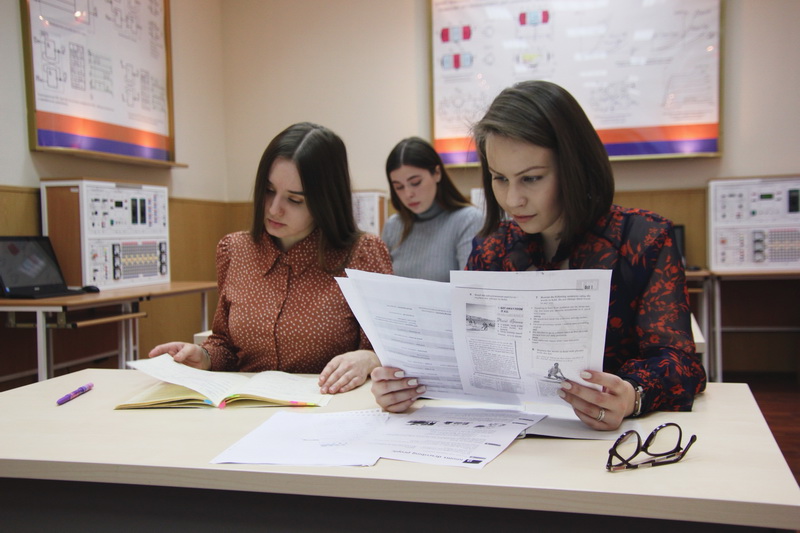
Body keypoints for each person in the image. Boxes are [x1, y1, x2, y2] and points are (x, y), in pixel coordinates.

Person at [370, 81, 707, 430]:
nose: (512, 199)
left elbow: (681, 363)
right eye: (499, 178)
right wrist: (405, 384)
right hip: (511, 437)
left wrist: (632, 394)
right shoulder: (492, 250)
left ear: (574, 167)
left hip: (613, 441)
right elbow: (462, 357)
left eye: (531, 179)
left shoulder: (642, 240)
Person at [149, 122, 393, 394]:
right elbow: (225, 345)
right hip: (246, 406)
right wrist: (203, 357)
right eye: (268, 190)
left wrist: (369, 359)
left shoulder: (362, 254)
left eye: (295, 200)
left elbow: (391, 349)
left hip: (329, 406)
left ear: (326, 201)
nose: (275, 209)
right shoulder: (235, 250)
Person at [382, 137, 483, 282]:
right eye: (399, 187)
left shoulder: (468, 220)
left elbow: (470, 289)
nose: (408, 194)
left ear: (437, 173)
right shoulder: (393, 225)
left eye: (415, 182)